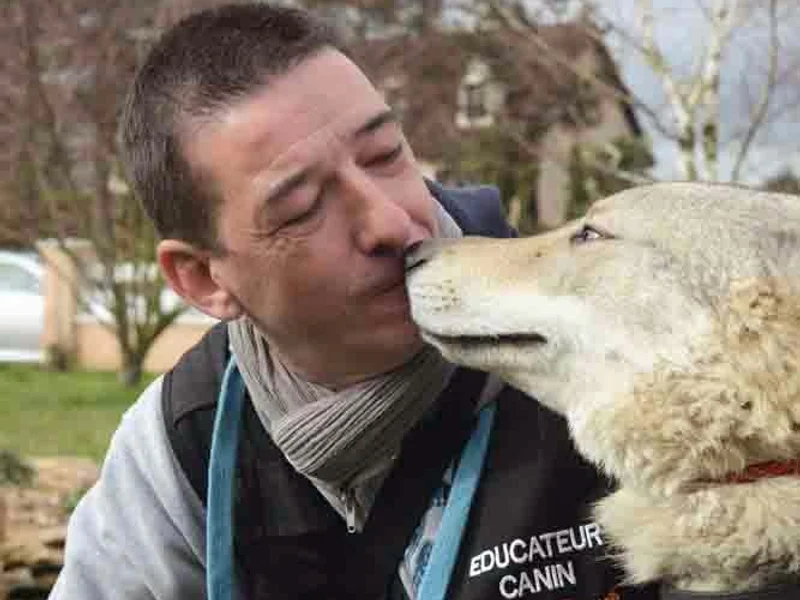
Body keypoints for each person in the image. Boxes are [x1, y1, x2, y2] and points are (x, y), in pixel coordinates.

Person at [49, 4, 658, 600]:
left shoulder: (616, 354)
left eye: (386, 155)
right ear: (202, 280)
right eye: (302, 208)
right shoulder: (185, 445)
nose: (391, 222)